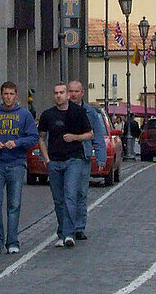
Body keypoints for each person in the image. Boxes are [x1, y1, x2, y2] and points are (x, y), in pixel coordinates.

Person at [0, 81, 38, 254]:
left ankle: (12, 241)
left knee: (14, 204)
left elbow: (33, 137)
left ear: (16, 96)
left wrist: (17, 143)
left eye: (11, 94)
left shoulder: (24, 115)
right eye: (5, 94)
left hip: (16, 163)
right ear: (1, 95)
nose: (8, 97)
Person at [37, 82, 93, 247]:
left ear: (67, 94)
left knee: (70, 196)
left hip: (73, 160)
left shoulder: (78, 113)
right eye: (56, 93)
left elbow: (90, 134)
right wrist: (46, 159)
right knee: (58, 199)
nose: (59, 95)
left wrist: (75, 137)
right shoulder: (48, 115)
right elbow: (41, 137)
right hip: (54, 161)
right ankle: (63, 231)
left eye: (62, 92)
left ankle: (68, 234)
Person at [67, 80, 107, 241]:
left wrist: (100, 157)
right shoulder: (62, 110)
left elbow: (97, 136)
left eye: (76, 91)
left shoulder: (90, 112)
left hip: (83, 156)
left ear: (82, 92)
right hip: (66, 156)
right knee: (67, 194)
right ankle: (66, 227)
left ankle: (79, 227)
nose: (73, 94)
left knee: (81, 193)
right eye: (71, 91)